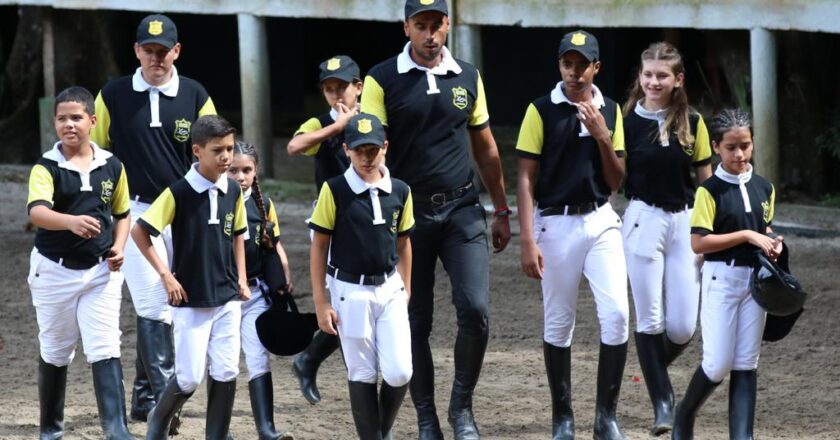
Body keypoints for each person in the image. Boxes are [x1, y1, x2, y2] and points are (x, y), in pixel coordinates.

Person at [361, 1, 511, 438]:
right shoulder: (381, 78)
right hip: (408, 215)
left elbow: (485, 147)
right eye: (421, 26)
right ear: (406, 26)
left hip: (463, 209)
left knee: (476, 310)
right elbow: (371, 151)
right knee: (415, 317)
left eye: (437, 25)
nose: (430, 35)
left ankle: (461, 410)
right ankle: (426, 418)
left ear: (448, 25)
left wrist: (500, 209)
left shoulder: (468, 75)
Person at [91, 13, 217, 424]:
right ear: (137, 51)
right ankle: (168, 407)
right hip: (136, 212)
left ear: (176, 51)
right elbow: (97, 154)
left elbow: (214, 150)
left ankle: (146, 398)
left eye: (164, 51)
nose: (156, 58)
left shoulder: (195, 94)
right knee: (153, 304)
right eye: (149, 50)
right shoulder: (112, 94)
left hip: (183, 212)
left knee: (175, 305)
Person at [516, 30, 629, 440]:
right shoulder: (541, 110)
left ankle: (606, 417)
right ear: (560, 65)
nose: (575, 72)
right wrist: (527, 237)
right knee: (559, 320)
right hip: (556, 223)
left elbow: (616, 181)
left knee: (616, 314)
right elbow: (526, 178)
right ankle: (563, 417)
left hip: (600, 219)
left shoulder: (611, 110)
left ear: (596, 68)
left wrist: (602, 134)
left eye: (583, 64)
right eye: (568, 63)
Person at [131, 115, 249, 440]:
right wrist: (166, 275)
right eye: (217, 151)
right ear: (197, 151)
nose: (226, 157)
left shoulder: (233, 192)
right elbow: (140, 232)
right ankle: (159, 417)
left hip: (227, 297)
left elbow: (238, 234)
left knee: (226, 371)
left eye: (229, 149)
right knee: (189, 378)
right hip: (191, 299)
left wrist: (241, 277)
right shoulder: (179, 192)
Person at [27, 86, 135, 439]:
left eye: (76, 118)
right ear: (54, 123)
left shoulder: (112, 165)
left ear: (92, 120)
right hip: (53, 269)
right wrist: (70, 221)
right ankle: (51, 428)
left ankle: (117, 430)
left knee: (105, 344)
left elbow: (122, 213)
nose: (69, 124)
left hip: (100, 271)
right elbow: (38, 212)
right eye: (62, 118)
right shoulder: (46, 166)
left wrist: (118, 247)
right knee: (57, 349)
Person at [619, 42, 712, 435]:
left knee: (682, 328)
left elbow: (707, 182)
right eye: (648, 74)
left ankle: (652, 369)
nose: (654, 81)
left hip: (684, 221)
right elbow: (613, 174)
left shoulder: (692, 120)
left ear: (678, 79)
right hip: (643, 217)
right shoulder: (624, 120)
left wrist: (709, 230)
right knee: (651, 316)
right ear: (640, 77)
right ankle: (663, 402)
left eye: (662, 75)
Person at [672, 109, 782, 440]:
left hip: (755, 282)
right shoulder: (709, 191)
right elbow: (699, 242)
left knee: (747, 362)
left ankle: (742, 436)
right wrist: (748, 237)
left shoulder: (765, 188)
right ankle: (684, 414)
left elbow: (764, 228)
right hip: (721, 279)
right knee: (718, 363)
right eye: (731, 147)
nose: (739, 154)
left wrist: (772, 242)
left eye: (745, 146)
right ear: (716, 147)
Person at [309, 113, 414, 440]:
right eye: (359, 151)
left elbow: (404, 241)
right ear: (346, 150)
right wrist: (320, 300)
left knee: (400, 372)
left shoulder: (400, 190)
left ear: (385, 147)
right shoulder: (335, 189)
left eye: (373, 150)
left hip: (390, 287)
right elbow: (319, 246)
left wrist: (405, 288)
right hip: (348, 290)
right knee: (362, 372)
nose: (367, 158)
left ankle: (379, 431)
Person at [285, 55, 361, 405]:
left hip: (369, 221)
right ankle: (349, 377)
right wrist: (336, 127)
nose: (336, 96)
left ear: (357, 87)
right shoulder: (321, 123)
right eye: (329, 90)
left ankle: (309, 359)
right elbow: (294, 146)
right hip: (330, 223)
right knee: (344, 303)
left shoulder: (372, 119)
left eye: (341, 88)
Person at [228, 140, 294, 439]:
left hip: (255, 293)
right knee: (220, 363)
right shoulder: (212, 202)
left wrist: (284, 273)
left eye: (246, 170)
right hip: (219, 297)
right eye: (233, 171)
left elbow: (274, 242)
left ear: (256, 172)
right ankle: (210, 426)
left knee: (257, 357)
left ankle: (267, 430)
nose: (240, 177)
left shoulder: (263, 204)